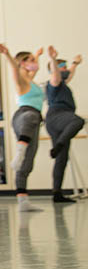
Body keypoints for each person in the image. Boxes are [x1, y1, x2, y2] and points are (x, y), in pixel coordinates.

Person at [0, 44, 45, 210]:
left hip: (34, 120)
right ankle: (19, 152)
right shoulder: (21, 81)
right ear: (22, 63)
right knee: (32, 117)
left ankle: (23, 201)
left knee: (28, 161)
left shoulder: (32, 80)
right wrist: (8, 55)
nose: (34, 63)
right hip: (24, 116)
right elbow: (14, 70)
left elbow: (33, 69)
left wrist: (37, 55)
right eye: (30, 60)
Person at [45, 46, 84, 204]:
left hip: (58, 121)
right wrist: (53, 59)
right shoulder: (53, 82)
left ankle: (57, 193)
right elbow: (56, 75)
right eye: (63, 67)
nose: (66, 69)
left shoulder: (63, 84)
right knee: (78, 120)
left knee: (61, 159)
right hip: (58, 116)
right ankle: (60, 144)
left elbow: (70, 74)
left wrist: (75, 63)